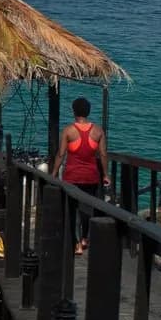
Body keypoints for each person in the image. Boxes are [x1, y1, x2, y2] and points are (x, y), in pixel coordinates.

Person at [52, 97, 110, 255]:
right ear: (88, 111)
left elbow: (61, 154)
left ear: (74, 111)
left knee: (72, 210)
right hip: (91, 176)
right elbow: (103, 154)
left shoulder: (68, 131)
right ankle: (85, 238)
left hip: (71, 176)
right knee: (87, 208)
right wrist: (106, 174)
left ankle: (77, 244)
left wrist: (54, 173)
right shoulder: (98, 131)